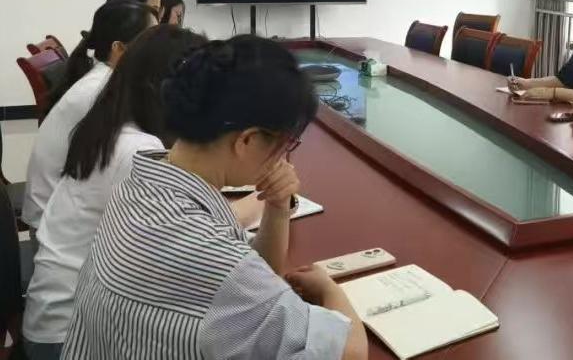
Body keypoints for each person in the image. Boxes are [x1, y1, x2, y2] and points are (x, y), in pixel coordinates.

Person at [62, 35, 367, 359]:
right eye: (286, 143)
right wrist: (330, 289)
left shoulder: (137, 189)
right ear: (248, 140)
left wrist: (278, 207)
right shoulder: (214, 259)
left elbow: (258, 278)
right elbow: (351, 352)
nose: (283, 156)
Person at [22, 25, 208, 357]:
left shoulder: (111, 126)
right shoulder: (138, 148)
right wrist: (264, 202)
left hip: (57, 319)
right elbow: (187, 247)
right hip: (70, 338)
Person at [21, 0, 158, 230]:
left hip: (57, 211)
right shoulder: (99, 91)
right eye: (150, 41)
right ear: (118, 48)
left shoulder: (104, 79)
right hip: (52, 223)